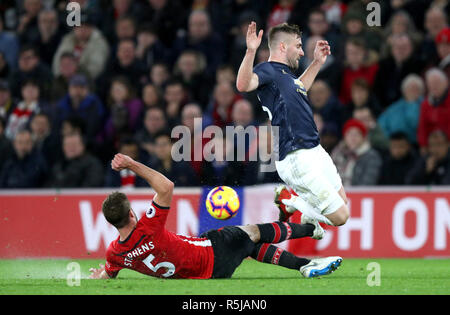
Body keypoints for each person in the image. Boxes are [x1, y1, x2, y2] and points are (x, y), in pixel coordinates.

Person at [89, 153, 342, 279]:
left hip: (211, 272)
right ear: (132, 214)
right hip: (210, 250)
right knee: (252, 232)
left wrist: (98, 275)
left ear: (111, 222)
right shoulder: (148, 227)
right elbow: (166, 186)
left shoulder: (115, 253)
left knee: (249, 245)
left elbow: (108, 273)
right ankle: (312, 229)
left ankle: (304, 265)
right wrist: (132, 164)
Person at [236, 22, 349, 227]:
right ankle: (290, 199)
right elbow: (243, 84)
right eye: (298, 45)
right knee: (341, 217)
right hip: (295, 154)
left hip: (314, 149)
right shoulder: (268, 70)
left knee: (343, 203)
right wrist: (251, 51)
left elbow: (300, 88)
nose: (301, 51)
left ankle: (292, 205)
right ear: (282, 47)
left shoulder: (286, 76)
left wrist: (316, 63)